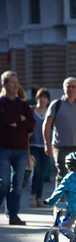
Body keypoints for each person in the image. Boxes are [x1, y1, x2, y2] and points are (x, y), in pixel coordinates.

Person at [0, 70, 36, 225]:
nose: (16, 85)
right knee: (4, 182)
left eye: (17, 82)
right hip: (4, 149)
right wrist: (19, 119)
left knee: (18, 185)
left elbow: (31, 122)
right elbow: (2, 117)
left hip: (21, 150)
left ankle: (13, 215)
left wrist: (13, 122)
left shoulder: (23, 103)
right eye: (12, 82)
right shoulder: (1, 102)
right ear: (4, 84)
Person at [44, 152, 76, 242]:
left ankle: (74, 239)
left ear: (67, 165)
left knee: (63, 227)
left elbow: (58, 192)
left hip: (74, 209)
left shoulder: (68, 177)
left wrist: (50, 201)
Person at [28, 88, 51, 207]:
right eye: (40, 97)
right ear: (37, 98)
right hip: (33, 146)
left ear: (48, 100)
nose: (42, 100)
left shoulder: (50, 112)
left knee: (42, 173)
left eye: (44, 97)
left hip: (46, 147)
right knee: (36, 170)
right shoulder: (31, 110)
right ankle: (32, 195)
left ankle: (39, 197)